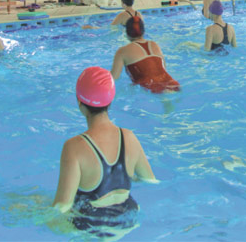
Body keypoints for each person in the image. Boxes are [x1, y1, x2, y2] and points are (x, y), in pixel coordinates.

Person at [52, 67, 157, 234]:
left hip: (93, 228)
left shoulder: (74, 147)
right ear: (110, 100)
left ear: (80, 103)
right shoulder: (129, 137)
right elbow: (150, 180)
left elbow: (62, 206)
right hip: (129, 220)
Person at [111, 17, 179, 93]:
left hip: (152, 88)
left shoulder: (122, 51)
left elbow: (114, 78)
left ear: (127, 32)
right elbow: (164, 68)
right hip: (173, 84)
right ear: (143, 31)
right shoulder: (154, 44)